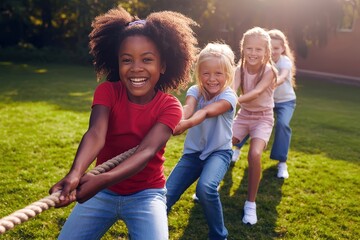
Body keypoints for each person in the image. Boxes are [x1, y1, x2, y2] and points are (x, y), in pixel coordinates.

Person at [49, 7, 198, 240]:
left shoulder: (169, 106)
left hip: (146, 195)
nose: (136, 68)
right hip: (102, 192)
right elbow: (96, 133)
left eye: (147, 59)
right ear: (117, 63)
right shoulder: (108, 91)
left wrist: (101, 179)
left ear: (163, 66)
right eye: (127, 60)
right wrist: (75, 173)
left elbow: (147, 151)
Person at [166, 42, 237, 240]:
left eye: (218, 73)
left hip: (219, 153)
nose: (212, 79)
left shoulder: (229, 97)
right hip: (193, 153)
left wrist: (185, 125)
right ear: (199, 73)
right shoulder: (196, 90)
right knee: (165, 196)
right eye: (206, 73)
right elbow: (188, 108)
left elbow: (205, 112)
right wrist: (176, 120)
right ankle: (149, 231)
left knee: (205, 188)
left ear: (228, 74)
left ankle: (218, 235)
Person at [232, 29, 296, 180]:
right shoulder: (247, 64)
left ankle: (282, 162)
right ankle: (236, 149)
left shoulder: (282, 62)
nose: (274, 51)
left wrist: (269, 83)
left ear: (282, 48)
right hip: (256, 104)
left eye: (276, 48)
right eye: (271, 47)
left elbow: (281, 77)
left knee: (282, 125)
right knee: (247, 124)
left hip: (284, 100)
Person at [232, 27, 277, 225]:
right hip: (243, 116)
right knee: (221, 145)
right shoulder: (239, 69)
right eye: (249, 48)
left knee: (255, 154)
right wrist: (228, 99)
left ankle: (250, 204)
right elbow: (232, 89)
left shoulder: (269, 71)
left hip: (263, 118)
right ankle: (209, 187)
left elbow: (257, 92)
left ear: (266, 51)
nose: (253, 53)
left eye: (258, 49)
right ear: (243, 49)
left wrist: (233, 101)